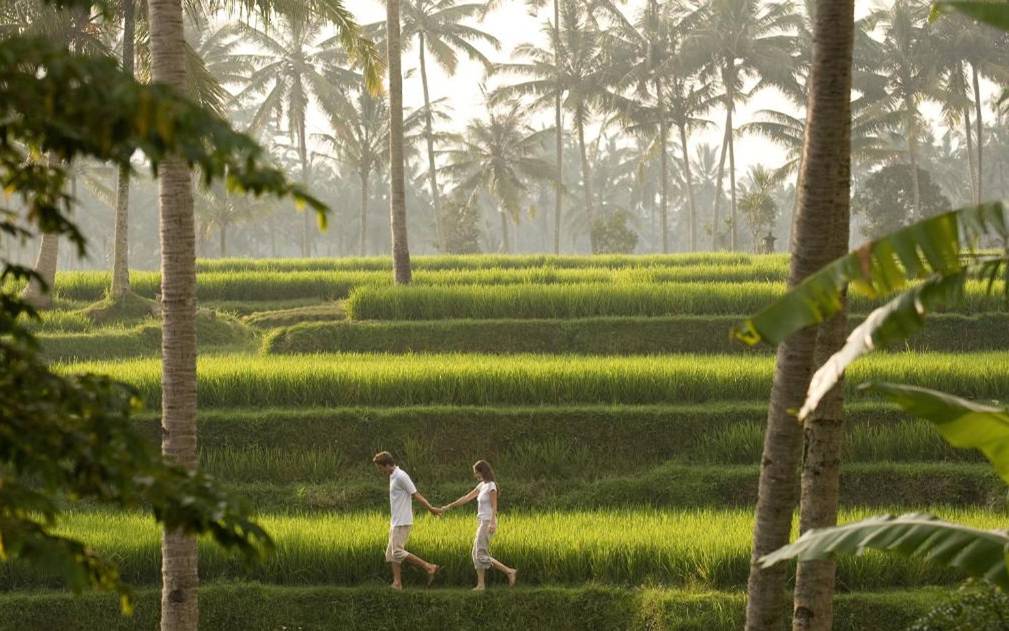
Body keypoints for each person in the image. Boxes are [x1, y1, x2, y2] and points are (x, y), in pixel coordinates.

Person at [441, 460, 518, 590]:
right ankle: (481, 585)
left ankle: (509, 571)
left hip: (488, 521)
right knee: (475, 553)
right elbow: (466, 498)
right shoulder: (481, 486)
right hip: (481, 521)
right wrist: (449, 506)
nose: (475, 475)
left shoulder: (491, 486)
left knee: (480, 554)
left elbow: (494, 505)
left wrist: (493, 522)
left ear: (482, 471)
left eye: (476, 472)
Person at [372, 451, 441, 589]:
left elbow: (416, 495)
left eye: (380, 468)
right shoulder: (392, 475)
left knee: (397, 551)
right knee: (391, 553)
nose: (380, 471)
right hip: (396, 520)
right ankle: (397, 583)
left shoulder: (401, 476)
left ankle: (428, 566)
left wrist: (431, 509)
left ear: (387, 465)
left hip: (402, 521)